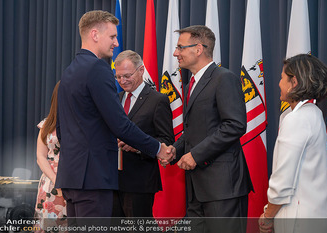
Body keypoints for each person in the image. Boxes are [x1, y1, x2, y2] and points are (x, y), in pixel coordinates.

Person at [55, 10, 173, 219]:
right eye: (112, 36)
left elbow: (62, 130)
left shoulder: (69, 71)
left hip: (72, 177)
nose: (116, 43)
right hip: (93, 177)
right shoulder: (97, 69)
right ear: (94, 34)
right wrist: (157, 148)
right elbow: (120, 125)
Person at [170, 25, 253, 233]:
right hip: (197, 188)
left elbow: (234, 125)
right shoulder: (191, 85)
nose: (175, 53)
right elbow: (196, 130)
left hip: (222, 188)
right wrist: (174, 151)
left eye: (180, 47)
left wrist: (195, 155)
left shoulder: (224, 78)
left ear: (198, 49)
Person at [259, 54, 327, 233]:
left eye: (282, 78)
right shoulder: (312, 113)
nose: (278, 83)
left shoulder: (297, 119)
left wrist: (268, 217)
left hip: (299, 220)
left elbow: (283, 181)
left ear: (295, 83)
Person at [111, 50, 174, 217]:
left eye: (127, 75)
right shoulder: (114, 99)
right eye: (118, 77)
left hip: (139, 182)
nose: (122, 81)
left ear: (141, 70)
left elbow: (166, 140)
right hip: (111, 181)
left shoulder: (157, 100)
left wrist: (138, 147)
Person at [34, 81, 67, 232]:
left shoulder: (82, 124)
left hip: (74, 182)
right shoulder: (46, 125)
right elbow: (40, 157)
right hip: (50, 182)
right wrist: (55, 179)